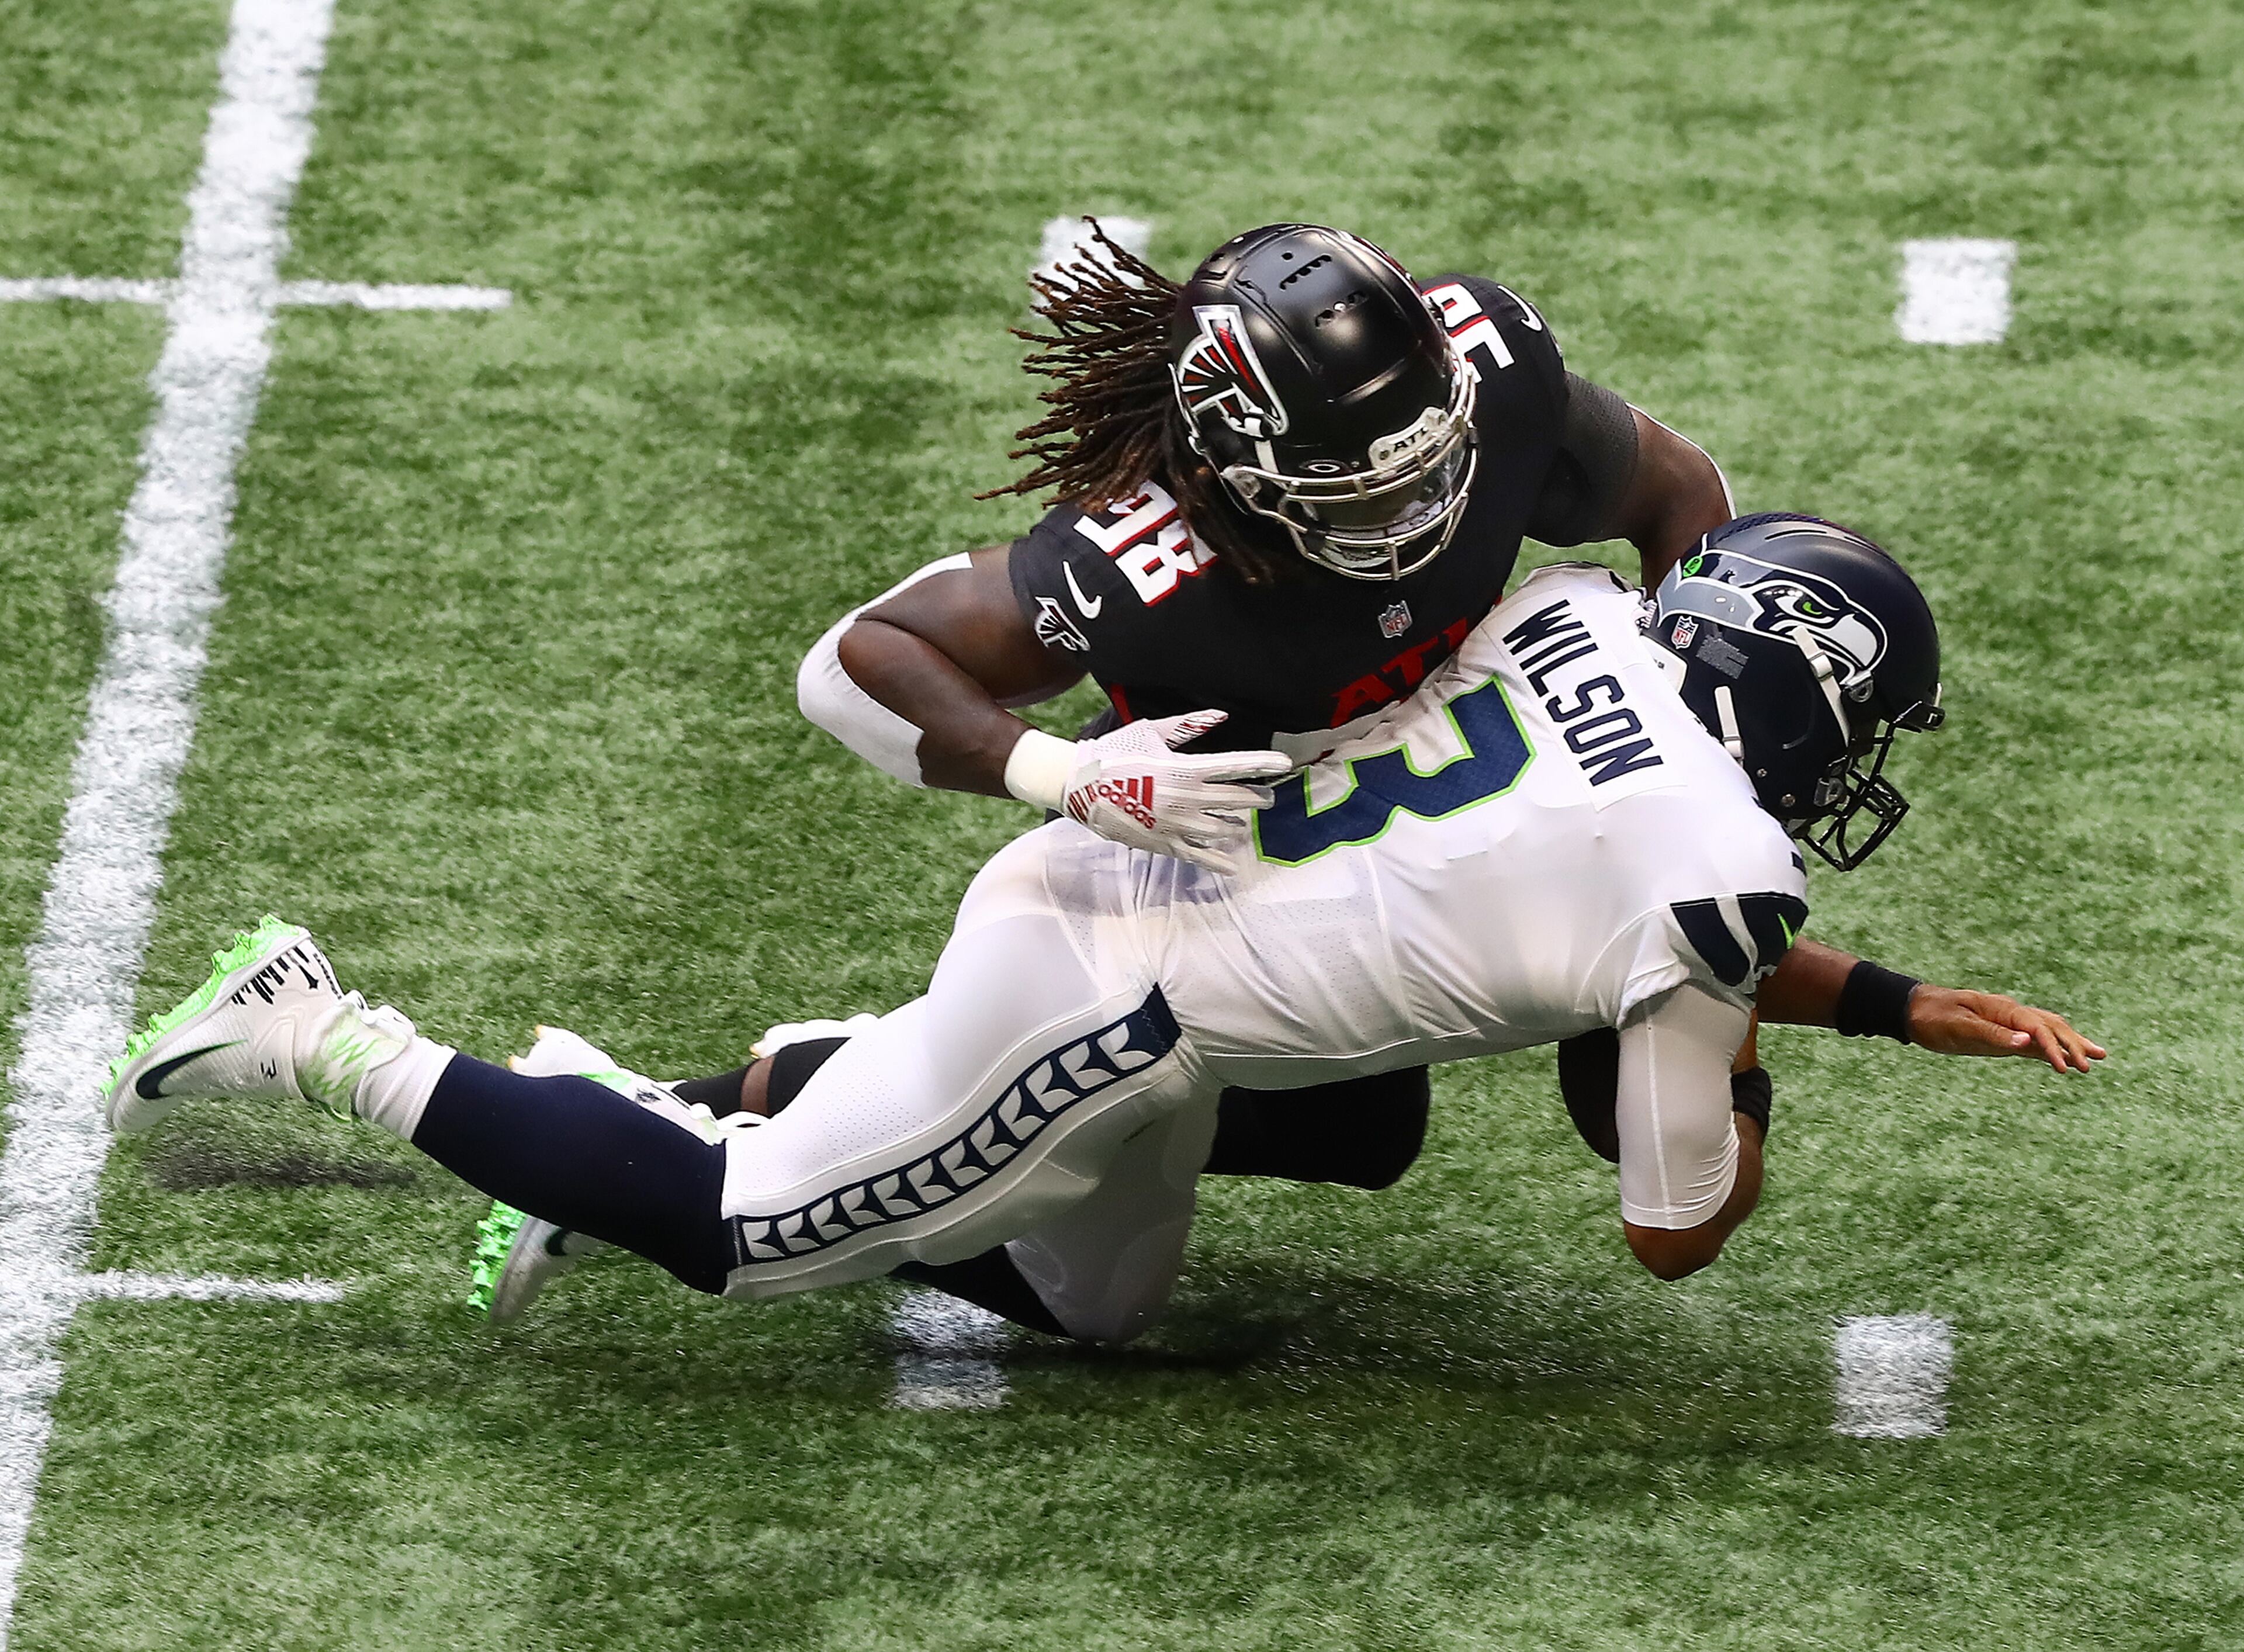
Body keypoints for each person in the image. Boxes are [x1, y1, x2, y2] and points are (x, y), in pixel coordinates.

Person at [102, 516, 2102, 1343]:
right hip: (1114, 994)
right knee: (746, 1233)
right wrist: (1751, 1027)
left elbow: (1577, 878)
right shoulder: (1711, 895)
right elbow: (1673, 1221)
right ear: (1807, 691)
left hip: (1161, 896)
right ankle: (317, 1026)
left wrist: (1885, 999)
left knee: (1109, 1308)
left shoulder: (1570, 610)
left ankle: (654, 1095)